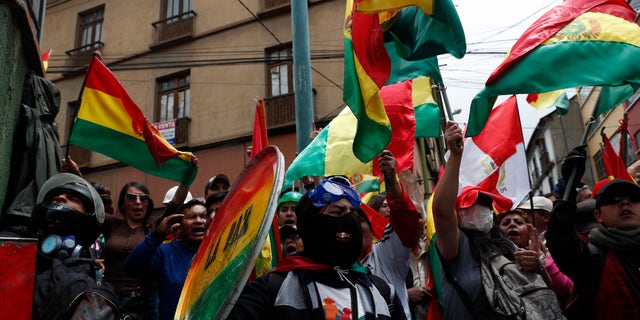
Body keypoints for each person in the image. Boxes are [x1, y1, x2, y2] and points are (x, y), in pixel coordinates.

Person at [433, 121, 565, 319]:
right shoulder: (457, 246)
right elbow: (441, 210)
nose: (476, 208)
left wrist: (538, 266)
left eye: (483, 201)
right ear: (458, 214)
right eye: (468, 204)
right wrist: (455, 155)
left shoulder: (509, 246)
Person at [228, 178, 396, 319]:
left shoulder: (382, 291)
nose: (349, 220)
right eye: (338, 213)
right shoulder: (273, 288)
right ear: (312, 225)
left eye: (353, 213)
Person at [547, 175, 640, 319]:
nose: (625, 202)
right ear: (598, 215)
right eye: (613, 199)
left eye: (633, 198)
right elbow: (558, 237)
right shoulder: (590, 258)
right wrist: (569, 186)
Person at [30, 173, 118, 319]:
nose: (60, 198)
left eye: (73, 198)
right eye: (54, 198)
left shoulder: (90, 289)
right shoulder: (23, 258)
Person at [360, 150, 425, 320]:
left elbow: (405, 218)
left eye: (360, 220)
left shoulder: (385, 253)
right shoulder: (334, 266)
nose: (352, 226)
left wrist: (391, 179)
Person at [124, 199, 207, 320]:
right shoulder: (165, 252)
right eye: (191, 217)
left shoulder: (220, 251)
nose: (199, 221)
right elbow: (131, 268)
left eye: (203, 216)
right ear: (179, 226)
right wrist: (156, 236)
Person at [103, 182, 159, 320]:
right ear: (122, 204)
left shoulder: (155, 227)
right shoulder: (112, 224)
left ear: (149, 204)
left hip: (146, 299)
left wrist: (186, 180)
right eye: (131, 198)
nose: (138, 202)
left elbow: (175, 205)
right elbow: (92, 205)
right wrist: (77, 175)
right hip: (112, 297)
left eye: (143, 198)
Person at [497, 209, 574, 308]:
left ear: (529, 231)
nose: (512, 224)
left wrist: (539, 257)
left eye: (519, 222)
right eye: (506, 223)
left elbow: (566, 289)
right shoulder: (492, 260)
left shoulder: (544, 255)